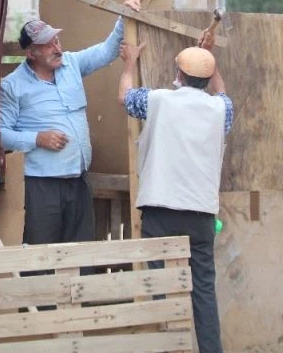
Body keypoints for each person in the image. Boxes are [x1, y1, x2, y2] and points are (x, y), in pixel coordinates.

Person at [117, 40, 233, 353]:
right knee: (204, 291)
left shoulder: (159, 100)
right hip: (201, 213)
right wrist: (211, 61)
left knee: (159, 286)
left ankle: (166, 347)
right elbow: (222, 92)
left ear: (178, 75)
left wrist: (129, 64)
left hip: (160, 208)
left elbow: (124, 97)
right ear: (207, 79)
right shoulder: (221, 109)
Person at [0, 0, 141, 245]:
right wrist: (37, 138)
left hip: (78, 179)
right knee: (42, 252)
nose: (56, 48)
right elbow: (1, 134)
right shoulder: (12, 86)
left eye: (56, 40)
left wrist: (123, 16)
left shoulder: (71, 64)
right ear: (31, 53)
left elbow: (106, 51)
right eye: (47, 45)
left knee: (80, 249)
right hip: (41, 185)